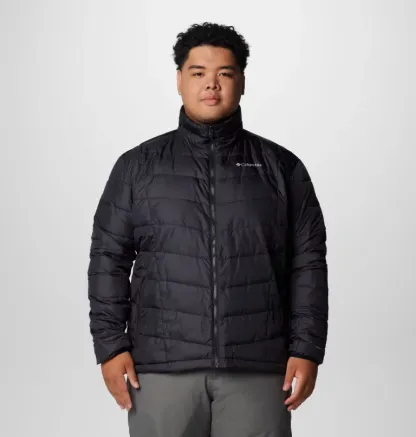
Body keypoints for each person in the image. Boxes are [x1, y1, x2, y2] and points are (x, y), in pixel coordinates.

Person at [87, 21, 328, 437]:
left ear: (242, 82)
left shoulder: (282, 168)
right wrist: (110, 346)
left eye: (225, 73)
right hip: (160, 368)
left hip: (258, 367)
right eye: (198, 72)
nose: (211, 84)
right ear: (179, 80)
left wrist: (307, 348)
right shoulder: (137, 167)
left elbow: (308, 263)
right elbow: (108, 259)